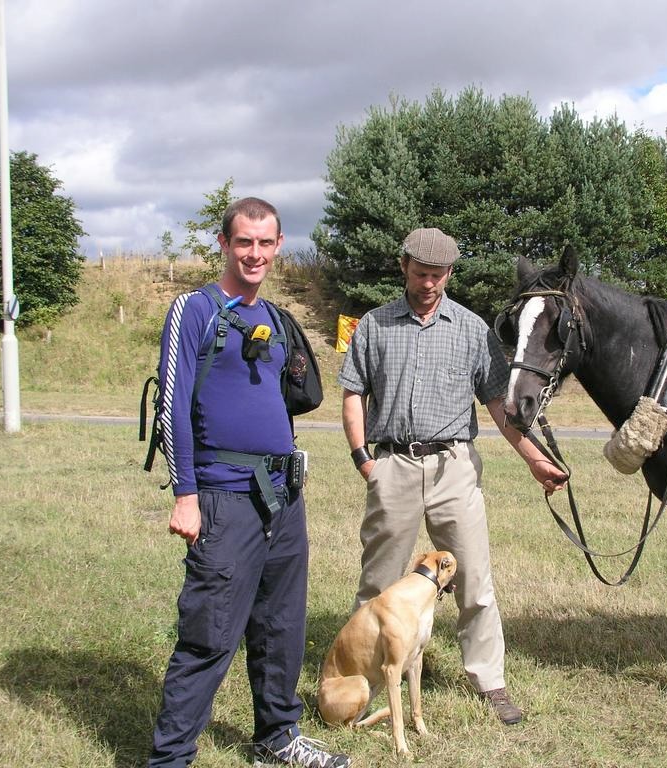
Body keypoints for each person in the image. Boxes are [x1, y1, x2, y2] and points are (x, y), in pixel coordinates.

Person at [338, 227, 569, 725]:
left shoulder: (471, 329)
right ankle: (367, 678)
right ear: (404, 267)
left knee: (474, 580)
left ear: (450, 274)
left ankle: (489, 680)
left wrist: (533, 458)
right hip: (393, 465)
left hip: (454, 468)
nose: (429, 284)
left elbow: (497, 405)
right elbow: (353, 391)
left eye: (439, 276)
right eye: (421, 274)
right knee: (378, 583)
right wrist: (363, 459)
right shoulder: (374, 326)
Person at [148, 197, 349, 768]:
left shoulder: (278, 319)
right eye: (244, 242)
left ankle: (278, 737)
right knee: (209, 634)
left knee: (281, 626)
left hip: (283, 498)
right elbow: (173, 407)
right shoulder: (194, 310)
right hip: (222, 497)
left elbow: (285, 403)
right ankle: (170, 760)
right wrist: (186, 495)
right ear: (225, 244)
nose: (254, 253)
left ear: (279, 245)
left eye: (265, 243)